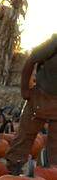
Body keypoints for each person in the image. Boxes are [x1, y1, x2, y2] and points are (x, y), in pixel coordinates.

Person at [7, 32, 57, 171]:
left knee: (55, 147)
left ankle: (49, 175)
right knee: (25, 135)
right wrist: (25, 89)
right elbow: (31, 60)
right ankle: (13, 169)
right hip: (41, 97)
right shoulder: (54, 43)